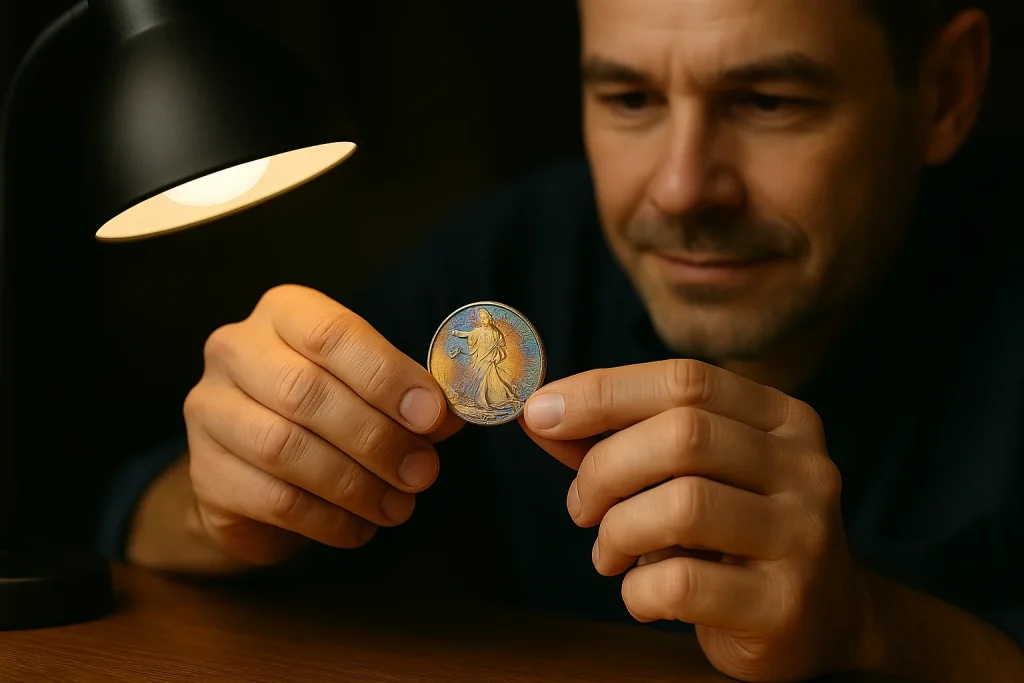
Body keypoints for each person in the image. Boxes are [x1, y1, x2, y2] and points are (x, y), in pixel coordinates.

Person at [96, 0, 1024, 681]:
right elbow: (140, 520)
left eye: (770, 100)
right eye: (628, 98)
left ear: (946, 92)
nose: (680, 188)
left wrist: (869, 628)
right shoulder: (517, 254)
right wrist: (226, 503)